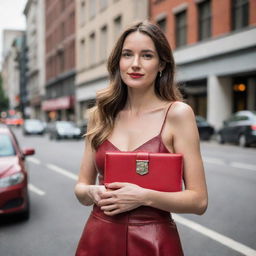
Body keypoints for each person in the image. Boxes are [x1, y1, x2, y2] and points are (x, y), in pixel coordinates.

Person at [74, 20, 208, 256]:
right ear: (118, 62)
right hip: (99, 237)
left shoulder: (177, 114)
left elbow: (198, 201)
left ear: (162, 65)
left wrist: (143, 196)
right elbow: (81, 188)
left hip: (153, 241)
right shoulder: (100, 115)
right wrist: (92, 192)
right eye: (127, 55)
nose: (135, 64)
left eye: (146, 56)